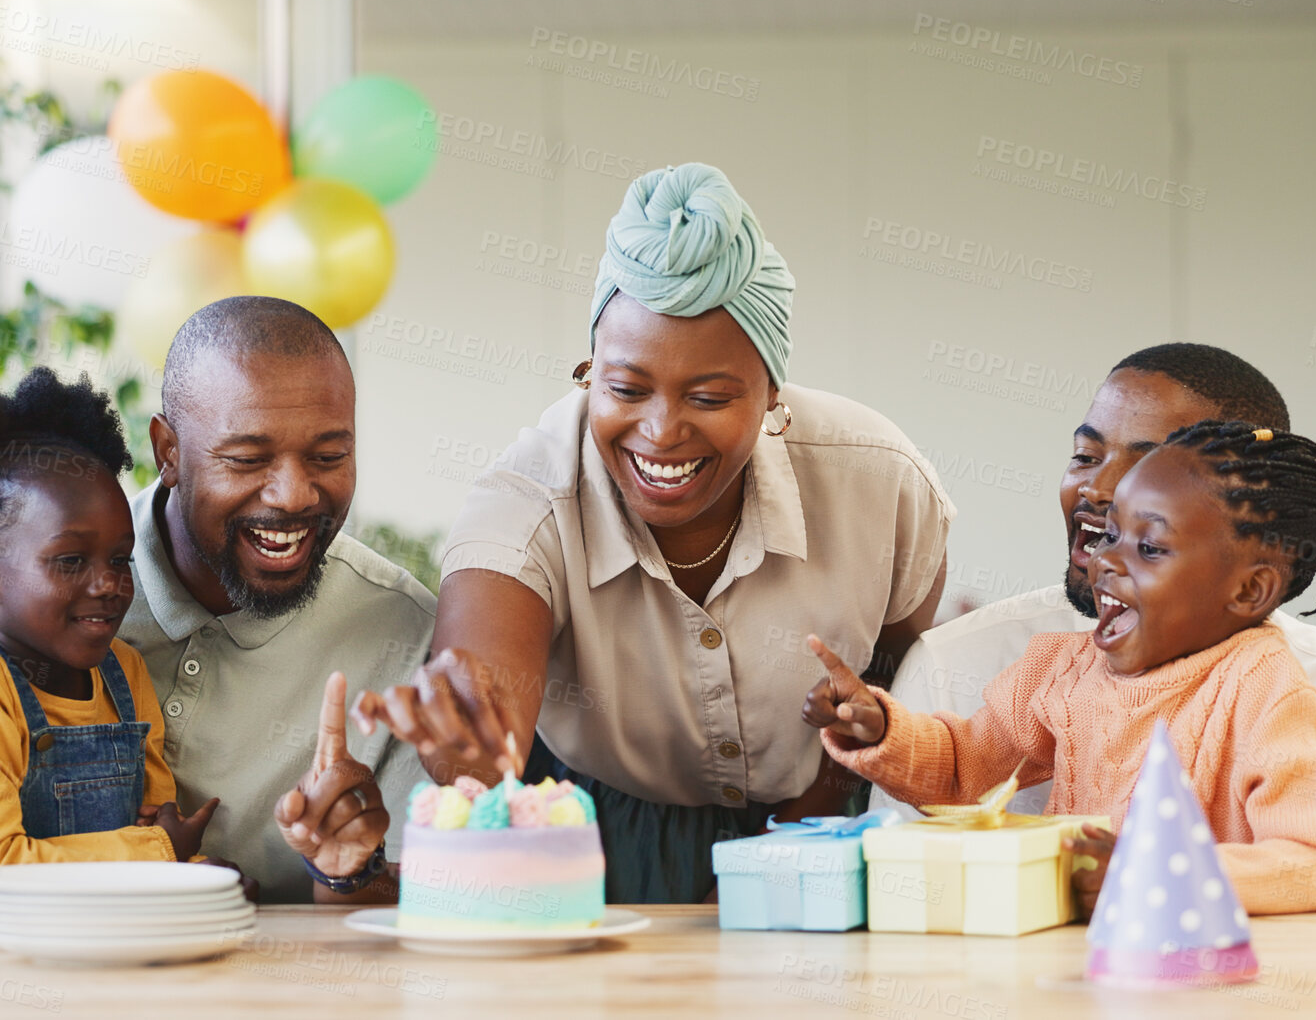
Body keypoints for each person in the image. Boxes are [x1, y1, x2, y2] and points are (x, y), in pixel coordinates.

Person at [352, 163, 955, 903]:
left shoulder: (879, 483)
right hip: (604, 843)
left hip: (823, 831)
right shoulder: (526, 502)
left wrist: (812, 812)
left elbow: (892, 678)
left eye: (708, 395)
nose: (661, 432)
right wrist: (476, 756)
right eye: (625, 389)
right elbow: (484, 708)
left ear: (773, 390)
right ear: (588, 371)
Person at [0, 297, 433, 911]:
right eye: (247, 459)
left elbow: (430, 904)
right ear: (168, 452)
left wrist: (349, 874)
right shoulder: (8, 589)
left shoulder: (402, 632)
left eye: (329, 456)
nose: (293, 494)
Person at [870, 344, 1316, 903]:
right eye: (1085, 455)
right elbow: (964, 763)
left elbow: (1315, 867)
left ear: (1250, 584)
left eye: (1150, 543)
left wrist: (1159, 872)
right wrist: (884, 734)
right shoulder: (1045, 667)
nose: (1100, 500)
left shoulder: (1286, 700)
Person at [0, 366, 217, 866]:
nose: (109, 585)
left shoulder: (126, 674)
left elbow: (162, 828)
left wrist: (204, 881)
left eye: (120, 560)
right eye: (71, 561)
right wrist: (160, 852)